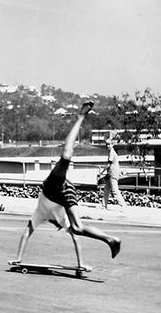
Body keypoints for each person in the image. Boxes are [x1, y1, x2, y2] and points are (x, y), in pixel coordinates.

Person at [11, 101, 121, 270]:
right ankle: (110, 239)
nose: (57, 226)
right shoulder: (57, 218)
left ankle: (81, 116)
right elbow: (75, 237)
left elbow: (27, 233)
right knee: (77, 228)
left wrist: (18, 259)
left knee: (66, 156)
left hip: (53, 188)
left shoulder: (40, 215)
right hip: (66, 191)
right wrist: (80, 264)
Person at [99, 138, 126, 209]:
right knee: (106, 190)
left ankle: (122, 205)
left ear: (112, 145)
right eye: (107, 144)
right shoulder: (111, 152)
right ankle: (103, 205)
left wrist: (101, 172)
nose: (107, 146)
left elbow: (109, 164)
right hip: (110, 174)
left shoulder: (112, 152)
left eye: (109, 144)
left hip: (113, 174)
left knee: (114, 190)